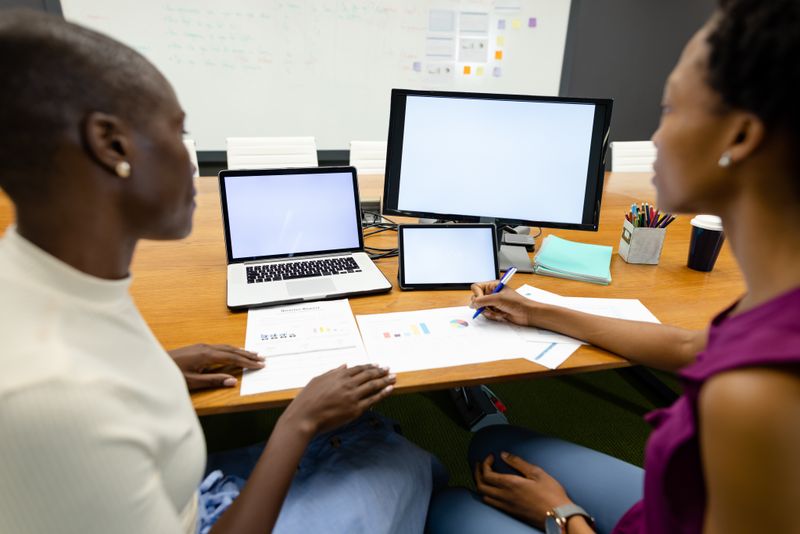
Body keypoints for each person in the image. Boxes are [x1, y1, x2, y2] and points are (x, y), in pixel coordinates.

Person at [0, 10, 437, 534]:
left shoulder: (48, 275)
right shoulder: (47, 395)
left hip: (176, 490)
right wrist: (297, 423)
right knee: (405, 462)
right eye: (177, 132)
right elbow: (74, 399)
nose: (190, 163)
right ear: (111, 144)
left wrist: (153, 368)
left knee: (371, 435)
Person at [427, 0, 800, 532]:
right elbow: (689, 347)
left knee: (446, 508)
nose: (654, 137)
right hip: (675, 506)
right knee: (492, 443)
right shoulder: (780, 295)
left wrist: (562, 516)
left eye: (669, 111)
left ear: (739, 137)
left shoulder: (755, 397)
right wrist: (536, 312)